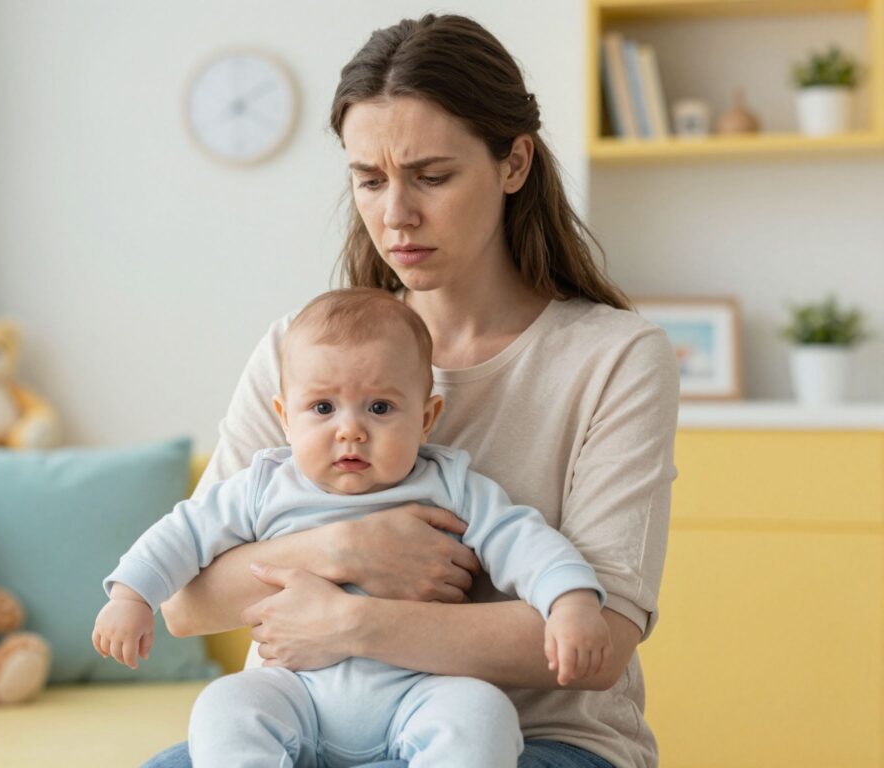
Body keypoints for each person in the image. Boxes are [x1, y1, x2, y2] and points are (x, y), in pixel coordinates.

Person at [148, 13, 678, 768]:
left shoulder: (614, 359)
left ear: (514, 163)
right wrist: (352, 546)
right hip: (309, 725)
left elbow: (597, 639)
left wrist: (348, 623)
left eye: (431, 177)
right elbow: (188, 602)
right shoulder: (300, 351)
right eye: (369, 180)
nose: (395, 215)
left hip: (535, 740)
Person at [94, 288, 613, 766]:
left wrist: (570, 600)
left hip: (420, 691)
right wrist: (130, 595)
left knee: (480, 711)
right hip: (295, 693)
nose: (350, 430)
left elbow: (522, 540)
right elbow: (182, 533)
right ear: (284, 416)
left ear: (427, 417)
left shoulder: (450, 484)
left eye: (380, 408)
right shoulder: (264, 485)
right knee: (224, 705)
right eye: (322, 407)